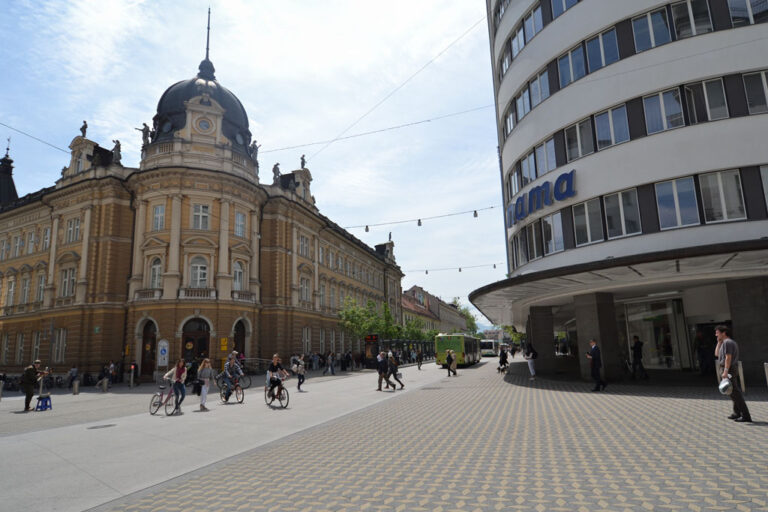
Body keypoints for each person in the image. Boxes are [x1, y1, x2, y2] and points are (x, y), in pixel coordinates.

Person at [715, 325, 752, 423]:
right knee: (731, 392)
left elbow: (728, 357)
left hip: (729, 369)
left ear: (724, 333)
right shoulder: (724, 343)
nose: (716, 334)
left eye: (717, 333)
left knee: (735, 393)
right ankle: (737, 413)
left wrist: (726, 371)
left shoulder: (728, 343)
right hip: (727, 369)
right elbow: (717, 354)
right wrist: (718, 342)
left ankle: (746, 416)